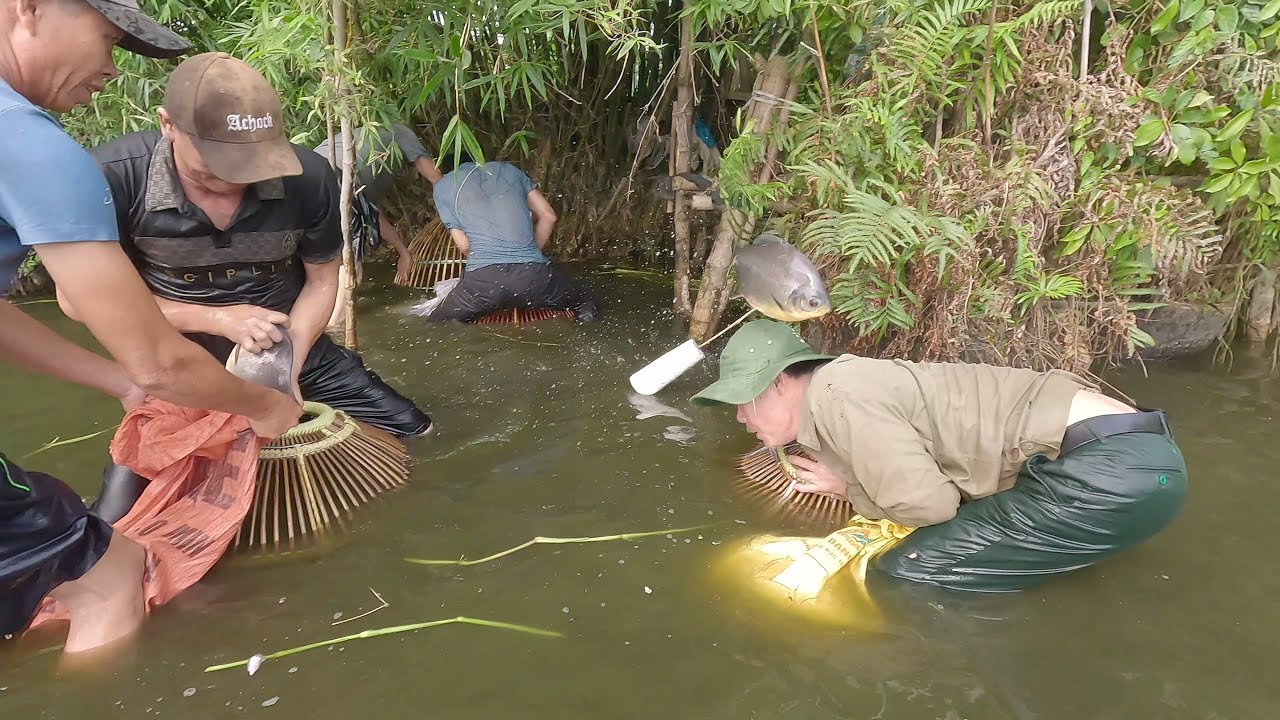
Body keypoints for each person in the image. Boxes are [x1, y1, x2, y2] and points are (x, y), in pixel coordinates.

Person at [1, 0, 301, 653]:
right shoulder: (36, 146)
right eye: (106, 39)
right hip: (188, 356)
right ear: (28, 9)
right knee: (113, 574)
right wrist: (266, 404)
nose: (110, 70)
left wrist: (120, 383)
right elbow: (160, 362)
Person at [58, 52, 433, 522]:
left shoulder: (308, 177)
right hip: (177, 362)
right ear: (168, 125)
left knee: (421, 434)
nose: (232, 181)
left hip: (292, 345)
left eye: (248, 165)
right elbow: (76, 301)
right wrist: (216, 318)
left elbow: (323, 280)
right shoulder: (113, 177)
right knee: (118, 521)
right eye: (214, 166)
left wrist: (286, 364)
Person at [691, 319, 1189, 592]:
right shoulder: (852, 381)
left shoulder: (838, 397)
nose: (740, 418)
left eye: (743, 401)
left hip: (1108, 474)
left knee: (907, 568)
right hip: (1149, 469)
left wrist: (850, 490)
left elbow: (930, 508)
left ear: (779, 382)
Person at [424, 151, 599, 323]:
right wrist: (528, 255)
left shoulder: (443, 187)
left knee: (437, 321)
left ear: (444, 170)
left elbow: (465, 246)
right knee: (584, 302)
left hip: (483, 284)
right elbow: (548, 216)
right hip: (533, 277)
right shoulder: (509, 170)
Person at [313, 123, 442, 330]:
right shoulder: (400, 132)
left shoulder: (353, 138)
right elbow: (436, 179)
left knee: (317, 257)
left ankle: (311, 314)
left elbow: (372, 214)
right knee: (350, 264)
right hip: (338, 178)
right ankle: (335, 326)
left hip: (305, 173)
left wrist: (403, 253)